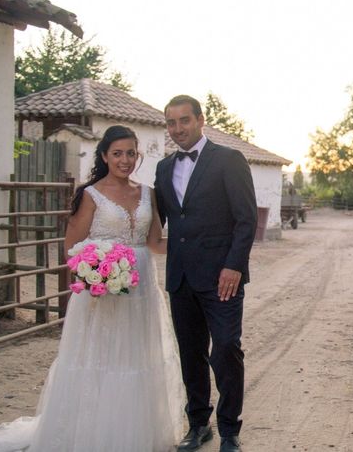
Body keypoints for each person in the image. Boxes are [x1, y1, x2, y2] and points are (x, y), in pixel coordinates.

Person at [0, 125, 184, 452]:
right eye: (117, 153)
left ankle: (130, 435)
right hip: (101, 294)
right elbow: (72, 247)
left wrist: (191, 242)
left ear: (138, 155)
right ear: (104, 156)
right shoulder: (91, 194)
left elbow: (153, 243)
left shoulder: (149, 193)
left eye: (131, 153)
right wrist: (99, 270)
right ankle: (90, 435)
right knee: (101, 360)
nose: (125, 160)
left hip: (139, 289)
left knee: (135, 358)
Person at [155, 95, 257, 452]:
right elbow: (158, 220)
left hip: (222, 278)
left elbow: (247, 219)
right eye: (171, 123)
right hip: (180, 277)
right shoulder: (163, 168)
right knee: (191, 352)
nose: (178, 129)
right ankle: (199, 424)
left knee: (227, 349)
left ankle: (229, 430)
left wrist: (234, 266)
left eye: (184, 121)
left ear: (200, 120)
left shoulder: (229, 160)